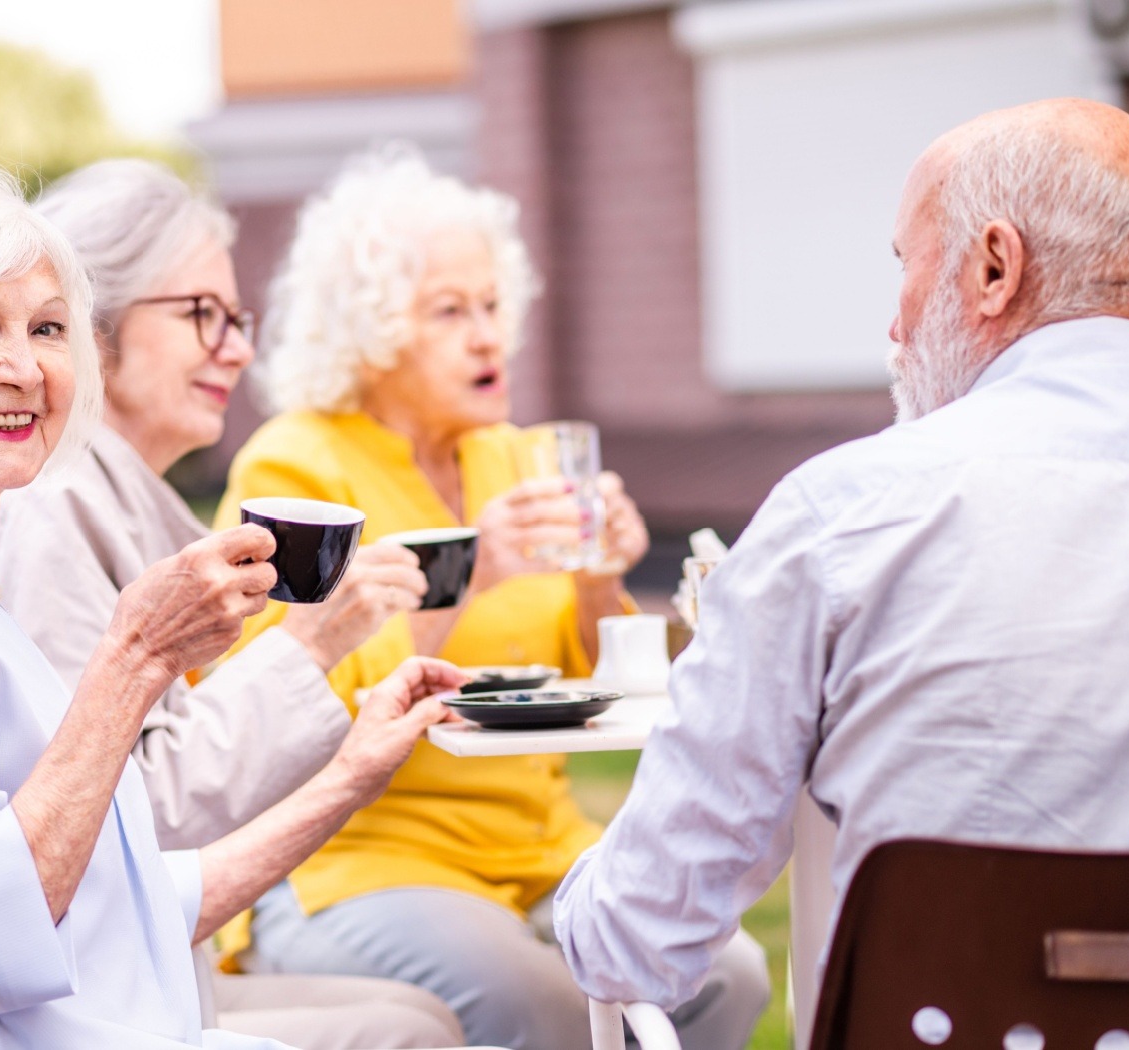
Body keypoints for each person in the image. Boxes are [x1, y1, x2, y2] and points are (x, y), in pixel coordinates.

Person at [0, 163, 466, 1050]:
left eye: (49, 328)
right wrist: (134, 658)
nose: (23, 366)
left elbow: (115, 899)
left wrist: (350, 776)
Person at [553, 98, 1129, 1013]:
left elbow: (635, 944)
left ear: (993, 266)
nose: (896, 327)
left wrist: (583, 890)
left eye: (907, 265)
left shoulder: (843, 517)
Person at [213, 147, 770, 1050]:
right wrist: (475, 569)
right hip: (366, 858)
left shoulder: (514, 457)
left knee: (725, 974)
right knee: (536, 1004)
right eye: (449, 312)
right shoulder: (297, 465)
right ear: (372, 329)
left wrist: (600, 576)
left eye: (492, 305)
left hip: (538, 845)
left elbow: (600, 673)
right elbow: (296, 700)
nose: (487, 336)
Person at [0, 158, 461, 1050]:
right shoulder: (51, 513)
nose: (239, 349)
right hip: (84, 993)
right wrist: (314, 645)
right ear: (94, 318)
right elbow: (132, 819)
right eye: (202, 313)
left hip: (135, 965)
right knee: (416, 1034)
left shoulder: (107, 502)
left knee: (421, 1021)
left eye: (238, 319)